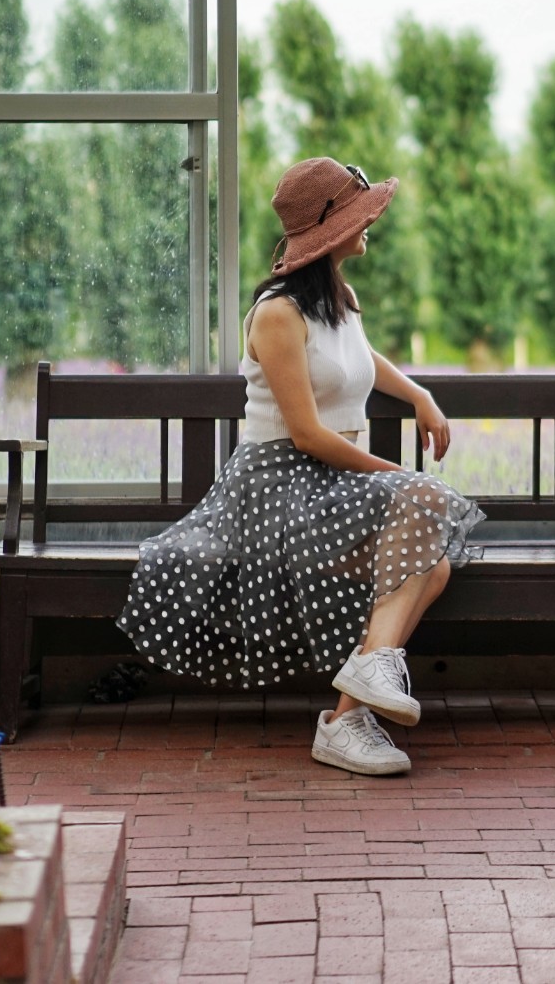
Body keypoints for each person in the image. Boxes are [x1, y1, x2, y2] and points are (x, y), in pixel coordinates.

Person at [117, 158, 483, 777]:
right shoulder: (276, 314)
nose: (370, 226)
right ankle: (357, 699)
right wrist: (393, 475)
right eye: (359, 217)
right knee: (423, 511)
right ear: (330, 230)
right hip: (276, 490)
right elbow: (308, 435)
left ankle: (346, 718)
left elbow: (358, 356)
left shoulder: (339, 298)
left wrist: (419, 394)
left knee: (435, 564)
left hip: (331, 487)